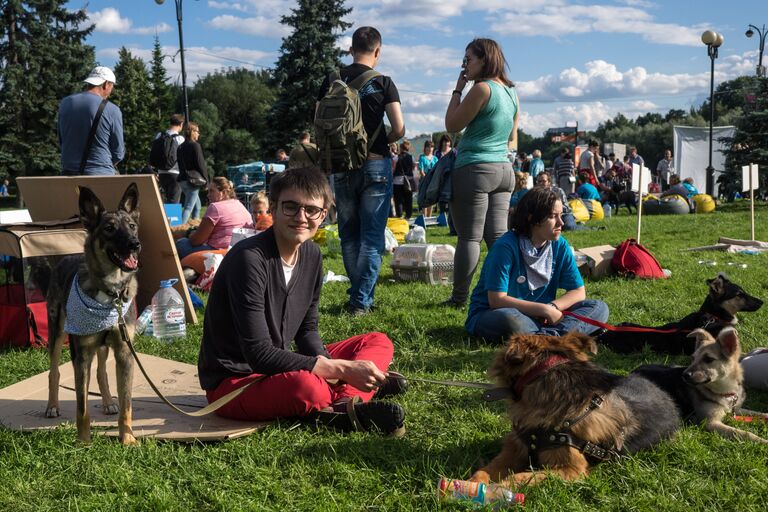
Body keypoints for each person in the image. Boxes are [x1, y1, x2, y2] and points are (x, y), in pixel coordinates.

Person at [197, 167, 407, 435]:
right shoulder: (248, 260)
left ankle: (344, 402)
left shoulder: (311, 255)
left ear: (324, 214)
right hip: (236, 381)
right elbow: (258, 353)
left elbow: (307, 331)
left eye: (312, 210)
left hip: (279, 363)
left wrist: (330, 365)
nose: (301, 217)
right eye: (290, 207)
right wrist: (338, 368)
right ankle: (349, 397)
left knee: (377, 342)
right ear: (272, 207)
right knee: (308, 387)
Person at [316, 26, 405, 315]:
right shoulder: (383, 82)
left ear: (351, 49)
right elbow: (400, 128)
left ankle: (359, 296)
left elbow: (319, 123)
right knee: (371, 237)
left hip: (340, 164)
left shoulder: (331, 80)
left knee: (349, 235)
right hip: (375, 163)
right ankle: (360, 301)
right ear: (377, 51)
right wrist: (381, 140)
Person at [464, 186, 609, 342]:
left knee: (599, 307)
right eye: (553, 216)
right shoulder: (505, 247)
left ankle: (546, 338)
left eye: (561, 215)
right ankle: (565, 334)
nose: (561, 222)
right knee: (509, 319)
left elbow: (578, 291)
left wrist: (552, 308)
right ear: (532, 218)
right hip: (496, 313)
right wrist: (543, 309)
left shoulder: (560, 245)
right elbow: (497, 300)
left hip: (542, 317)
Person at [443, 38, 519, 308]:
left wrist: (457, 90)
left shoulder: (481, 89)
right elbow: (513, 138)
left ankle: (459, 298)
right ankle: (504, 293)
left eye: (468, 60)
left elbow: (452, 125)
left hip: (475, 167)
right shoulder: (511, 93)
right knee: (498, 238)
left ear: (484, 60)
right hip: (503, 169)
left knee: (469, 237)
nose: (464, 65)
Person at [58, 66, 124, 176]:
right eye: (112, 86)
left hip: (68, 174)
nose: (111, 91)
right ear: (106, 84)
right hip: (100, 175)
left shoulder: (65, 103)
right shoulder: (112, 109)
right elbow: (118, 153)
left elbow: (61, 139)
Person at [175, 177, 252, 259]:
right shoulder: (239, 204)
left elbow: (196, 241)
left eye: (211, 191)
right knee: (191, 206)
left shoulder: (215, 207)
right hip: (239, 250)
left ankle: (175, 224)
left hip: (220, 253)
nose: (208, 195)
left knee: (181, 243)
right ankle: (175, 224)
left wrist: (190, 234)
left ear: (223, 193)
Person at [177, 122, 208, 224]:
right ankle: (177, 229)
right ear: (192, 132)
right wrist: (206, 181)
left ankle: (194, 227)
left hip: (181, 180)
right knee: (188, 207)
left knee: (197, 206)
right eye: (197, 132)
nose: (199, 134)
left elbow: (180, 165)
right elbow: (201, 164)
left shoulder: (180, 147)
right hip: (192, 181)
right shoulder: (195, 145)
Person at [154, 114, 185, 203]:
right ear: (181, 124)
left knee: (164, 201)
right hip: (175, 173)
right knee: (173, 202)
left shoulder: (159, 135)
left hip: (161, 173)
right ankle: (172, 217)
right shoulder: (180, 139)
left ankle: (164, 217)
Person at [393, 140, 414, 219]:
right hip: (408, 181)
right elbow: (413, 167)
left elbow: (393, 169)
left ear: (401, 148)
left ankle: (399, 214)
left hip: (397, 181)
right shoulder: (411, 157)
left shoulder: (396, 157)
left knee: (398, 200)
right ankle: (408, 215)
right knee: (408, 199)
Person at [418, 140, 438, 216]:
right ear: (425, 148)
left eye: (432, 147)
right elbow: (421, 171)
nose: (430, 149)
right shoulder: (422, 157)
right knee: (424, 198)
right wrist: (427, 179)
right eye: (428, 147)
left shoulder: (435, 158)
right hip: (424, 181)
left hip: (433, 181)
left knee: (431, 199)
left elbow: (437, 170)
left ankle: (429, 217)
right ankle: (424, 217)